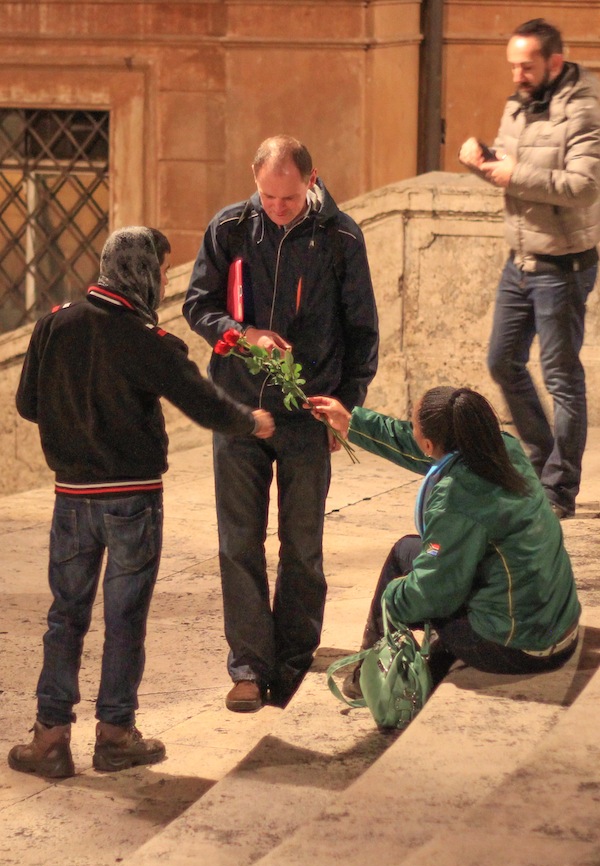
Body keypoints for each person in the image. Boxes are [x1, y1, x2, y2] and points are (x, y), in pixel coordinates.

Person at [8, 226, 274, 779]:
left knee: (65, 617)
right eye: (163, 271)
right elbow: (204, 404)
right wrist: (251, 422)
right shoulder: (148, 341)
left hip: (71, 499)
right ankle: (115, 735)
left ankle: (49, 738)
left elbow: (29, 404)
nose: (166, 282)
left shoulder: (55, 324)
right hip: (133, 500)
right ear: (145, 272)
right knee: (125, 619)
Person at [183, 135, 379, 712]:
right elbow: (198, 305)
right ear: (255, 179)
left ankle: (291, 662)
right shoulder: (229, 228)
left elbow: (362, 334)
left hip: (307, 415)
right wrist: (244, 336)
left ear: (311, 180)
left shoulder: (341, 238)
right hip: (239, 411)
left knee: (302, 545)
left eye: (288, 198)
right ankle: (248, 667)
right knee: (238, 541)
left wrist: (344, 407)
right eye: (267, 197)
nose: (276, 207)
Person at [309, 388, 580, 694]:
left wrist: (391, 600)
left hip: (520, 648)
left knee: (406, 593)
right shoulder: (502, 448)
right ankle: (417, 661)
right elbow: (413, 443)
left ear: (429, 444)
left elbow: (434, 593)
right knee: (406, 552)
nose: (411, 432)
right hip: (560, 629)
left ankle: (373, 677)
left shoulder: (455, 495)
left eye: (414, 426)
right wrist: (352, 423)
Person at [459, 18, 600, 520]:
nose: (517, 75)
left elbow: (584, 185)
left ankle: (559, 489)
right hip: (518, 259)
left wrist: (514, 172)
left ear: (554, 62)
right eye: (513, 66)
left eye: (526, 66)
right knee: (502, 361)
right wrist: (483, 162)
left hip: (563, 264)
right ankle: (540, 464)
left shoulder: (584, 108)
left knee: (561, 377)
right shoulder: (518, 103)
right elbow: (510, 171)